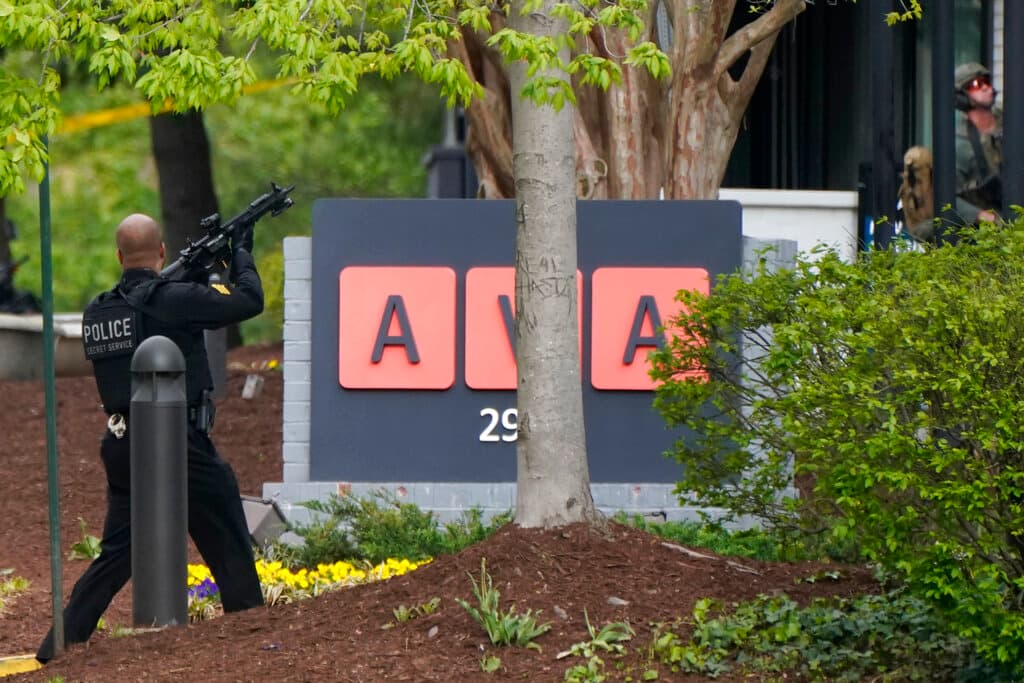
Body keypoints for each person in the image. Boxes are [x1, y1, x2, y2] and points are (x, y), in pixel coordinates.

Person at [36, 213, 265, 663]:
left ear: (118, 256)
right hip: (177, 443)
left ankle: (57, 645)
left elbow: (151, 319)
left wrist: (194, 274)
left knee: (119, 552)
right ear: (161, 252)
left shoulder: (99, 310)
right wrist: (239, 253)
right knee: (225, 530)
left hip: (122, 442)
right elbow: (248, 300)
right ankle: (251, 629)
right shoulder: (174, 300)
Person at [954, 62, 1003, 226]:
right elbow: (947, 197)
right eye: (976, 84)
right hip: (992, 226)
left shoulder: (1011, 120)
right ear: (962, 96)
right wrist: (982, 216)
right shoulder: (960, 143)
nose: (985, 87)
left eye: (986, 82)